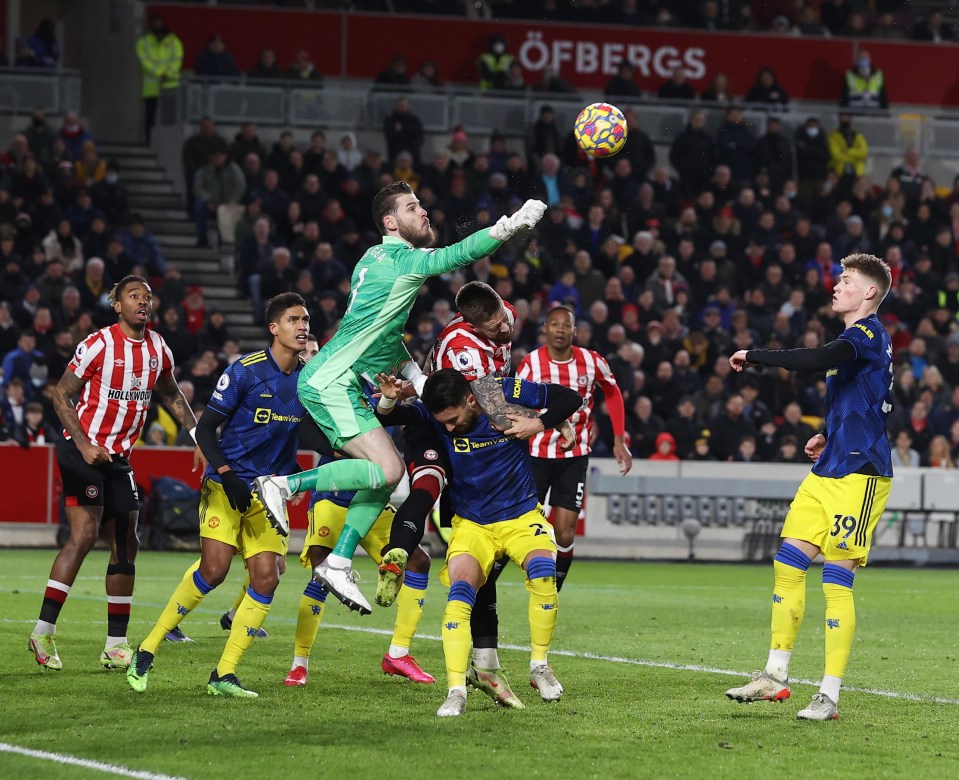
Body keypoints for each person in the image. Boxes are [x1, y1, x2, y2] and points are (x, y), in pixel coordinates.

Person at [252, 182, 547, 615]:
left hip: (337, 380)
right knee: (389, 469)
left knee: (386, 475)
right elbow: (455, 255)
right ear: (391, 222)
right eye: (413, 207)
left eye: (422, 204)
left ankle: (338, 561)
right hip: (330, 381)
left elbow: (380, 338)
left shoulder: (371, 261)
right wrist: (511, 225)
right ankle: (284, 485)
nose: (423, 212)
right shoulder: (403, 261)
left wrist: (416, 377)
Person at [724, 252, 894, 721]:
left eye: (847, 280)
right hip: (830, 468)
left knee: (837, 580)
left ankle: (829, 695)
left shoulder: (867, 333)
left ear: (870, 292)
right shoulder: (852, 340)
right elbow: (856, 395)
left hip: (860, 474)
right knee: (789, 562)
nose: (836, 285)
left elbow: (815, 358)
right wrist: (826, 431)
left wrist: (755, 354)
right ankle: (775, 676)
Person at [127, 292, 310, 698]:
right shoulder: (244, 372)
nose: (303, 327)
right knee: (215, 569)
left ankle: (224, 674)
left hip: (269, 492)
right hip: (226, 485)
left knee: (267, 576)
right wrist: (226, 475)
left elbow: (304, 433)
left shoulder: (310, 379)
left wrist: (294, 475)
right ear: (273, 328)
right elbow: (207, 430)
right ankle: (149, 646)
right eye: (294, 320)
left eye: (306, 319)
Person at [376, 368, 584, 716]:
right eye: (442, 422)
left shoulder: (498, 391)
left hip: (520, 517)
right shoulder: (438, 410)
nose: (448, 428)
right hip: (472, 525)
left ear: (471, 400)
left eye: (453, 419)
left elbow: (569, 398)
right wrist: (388, 396)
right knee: (461, 590)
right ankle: (456, 690)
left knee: (544, 571)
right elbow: (390, 415)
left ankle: (539, 667)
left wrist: (540, 424)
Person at [27, 275, 197, 672]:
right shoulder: (98, 343)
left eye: (148, 297)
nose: (143, 302)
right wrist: (85, 444)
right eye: (133, 296)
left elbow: (171, 393)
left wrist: (197, 435)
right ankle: (42, 631)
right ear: (117, 305)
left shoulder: (158, 348)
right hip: (80, 448)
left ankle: (115, 644)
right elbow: (61, 393)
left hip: (118, 457)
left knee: (127, 541)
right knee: (85, 534)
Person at [516, 305, 632, 589]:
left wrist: (619, 440)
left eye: (565, 325)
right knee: (521, 527)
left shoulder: (592, 362)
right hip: (535, 456)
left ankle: (553, 590)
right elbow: (515, 404)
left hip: (574, 457)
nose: (560, 330)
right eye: (554, 324)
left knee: (565, 534)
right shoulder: (531, 363)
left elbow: (613, 392)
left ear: (574, 331)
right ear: (545, 329)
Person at [135, 15, 183, 143]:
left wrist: (168, 74)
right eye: (155, 23)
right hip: (151, 87)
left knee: (169, 117)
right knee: (150, 116)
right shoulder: (143, 42)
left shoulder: (174, 41)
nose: (158, 25)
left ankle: (168, 141)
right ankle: (149, 141)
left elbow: (177, 60)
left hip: (170, 85)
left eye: (159, 22)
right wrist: (160, 74)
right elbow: (145, 61)